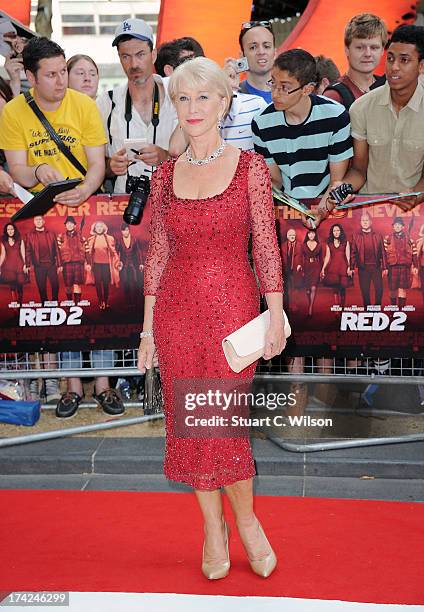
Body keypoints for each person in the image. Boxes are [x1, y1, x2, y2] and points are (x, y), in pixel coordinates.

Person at [137, 57, 285, 579]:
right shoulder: (161, 176)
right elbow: (157, 254)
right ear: (173, 106)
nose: (194, 108)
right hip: (177, 315)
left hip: (234, 316)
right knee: (192, 426)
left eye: (204, 97)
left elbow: (266, 246)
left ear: (224, 102)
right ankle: (211, 529)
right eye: (183, 98)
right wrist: (148, 330)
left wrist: (276, 315)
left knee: (222, 426)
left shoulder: (250, 169)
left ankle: (246, 522)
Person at [0, 37, 106, 207]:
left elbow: (97, 163)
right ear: (31, 77)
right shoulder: (13, 111)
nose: (61, 81)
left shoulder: (85, 105)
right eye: (51, 75)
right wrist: (37, 171)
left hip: (84, 199)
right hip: (39, 202)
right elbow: (17, 169)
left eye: (63, 71)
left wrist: (84, 190)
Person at [252, 49, 353, 228]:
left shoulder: (335, 115)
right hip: (286, 209)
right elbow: (275, 182)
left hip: (330, 206)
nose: (275, 93)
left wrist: (321, 210)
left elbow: (337, 181)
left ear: (307, 89)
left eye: (284, 87)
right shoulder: (261, 123)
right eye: (273, 83)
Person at [334, 25, 424, 212]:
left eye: (404, 60)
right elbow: (359, 169)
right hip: (370, 211)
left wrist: (416, 193)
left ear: (421, 66)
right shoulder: (361, 108)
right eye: (390, 59)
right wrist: (343, 188)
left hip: (416, 215)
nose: (394, 67)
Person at [96, 18, 178, 194]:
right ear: (119, 58)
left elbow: (201, 156)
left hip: (172, 202)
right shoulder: (106, 103)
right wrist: (111, 166)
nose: (133, 64)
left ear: (153, 55)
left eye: (140, 54)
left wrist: (166, 158)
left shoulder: (177, 97)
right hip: (123, 205)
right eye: (126, 56)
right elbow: (94, 163)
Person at [324, 13, 387, 109]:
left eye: (374, 48)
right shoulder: (334, 96)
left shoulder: (388, 88)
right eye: (360, 48)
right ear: (347, 50)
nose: (368, 54)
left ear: (382, 50)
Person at [350, 211, 387, 307]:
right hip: (363, 268)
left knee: (379, 289)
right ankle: (368, 310)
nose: (365, 222)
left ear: (371, 222)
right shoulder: (356, 236)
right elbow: (353, 252)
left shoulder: (378, 235)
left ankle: (377, 308)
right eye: (363, 220)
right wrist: (351, 267)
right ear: (360, 222)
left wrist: (385, 267)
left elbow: (383, 252)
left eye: (367, 220)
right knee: (365, 291)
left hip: (376, 267)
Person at [25, 215, 59, 304]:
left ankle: (54, 303)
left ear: (44, 221)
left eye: (40, 219)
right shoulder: (30, 235)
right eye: (36, 219)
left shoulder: (51, 233)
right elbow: (28, 250)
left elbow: (57, 250)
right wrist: (27, 264)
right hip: (39, 266)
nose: (38, 221)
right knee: (42, 287)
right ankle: (45, 304)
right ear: (34, 222)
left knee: (55, 285)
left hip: (51, 264)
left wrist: (59, 264)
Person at [383, 217, 418, 307]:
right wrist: (384, 268)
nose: (397, 226)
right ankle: (393, 310)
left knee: (402, 289)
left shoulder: (409, 239)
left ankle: (401, 311)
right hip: (392, 267)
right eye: (395, 225)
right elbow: (384, 255)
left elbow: (414, 253)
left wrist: (415, 266)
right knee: (392, 289)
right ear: (393, 227)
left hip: (404, 267)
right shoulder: (388, 239)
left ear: (403, 227)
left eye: (399, 225)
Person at [238, 20, 275, 103]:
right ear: (242, 56)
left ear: (275, 53)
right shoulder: (233, 98)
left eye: (266, 46)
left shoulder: (292, 94)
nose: (261, 52)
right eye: (253, 47)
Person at [86, 220, 120, 310]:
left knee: (105, 284)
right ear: (95, 229)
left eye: (101, 226)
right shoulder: (91, 239)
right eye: (97, 227)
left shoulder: (109, 238)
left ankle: (106, 301)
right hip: (96, 265)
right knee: (97, 284)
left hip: (106, 265)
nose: (99, 228)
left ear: (104, 228)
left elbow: (113, 251)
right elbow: (88, 253)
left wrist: (117, 260)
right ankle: (100, 301)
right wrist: (88, 263)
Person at [320, 223, 352, 308]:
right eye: (334, 231)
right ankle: (337, 308)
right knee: (335, 289)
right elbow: (327, 256)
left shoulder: (346, 242)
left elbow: (348, 256)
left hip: (343, 268)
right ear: (332, 232)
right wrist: (323, 268)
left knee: (342, 289)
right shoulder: (329, 243)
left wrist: (349, 267)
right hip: (333, 268)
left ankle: (342, 307)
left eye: (338, 230)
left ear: (341, 231)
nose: (336, 232)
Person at [115, 222, 144, 306]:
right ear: (121, 231)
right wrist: (118, 263)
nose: (125, 232)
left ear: (129, 230)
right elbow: (116, 253)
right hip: (123, 266)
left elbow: (139, 252)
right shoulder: (119, 241)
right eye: (123, 230)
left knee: (135, 283)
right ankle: (128, 302)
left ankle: (135, 301)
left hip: (133, 266)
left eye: (126, 230)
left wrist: (141, 263)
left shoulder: (135, 239)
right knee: (125, 284)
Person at [0, 222, 27, 304]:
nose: (10, 231)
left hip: (19, 266)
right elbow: (3, 255)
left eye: (12, 229)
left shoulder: (20, 239)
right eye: (8, 229)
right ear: (6, 231)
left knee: (19, 287)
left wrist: (25, 265)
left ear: (14, 230)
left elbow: (23, 253)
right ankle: (15, 306)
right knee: (12, 287)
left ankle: (20, 304)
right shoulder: (3, 241)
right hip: (9, 267)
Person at [301, 228, 323, 316]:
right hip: (306, 267)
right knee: (307, 290)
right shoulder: (303, 245)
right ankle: (309, 302)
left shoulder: (319, 245)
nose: (311, 235)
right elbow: (300, 257)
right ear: (307, 235)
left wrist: (322, 270)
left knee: (313, 288)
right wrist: (301, 267)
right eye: (309, 233)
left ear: (315, 235)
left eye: (313, 233)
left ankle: (310, 307)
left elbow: (321, 259)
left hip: (316, 267)